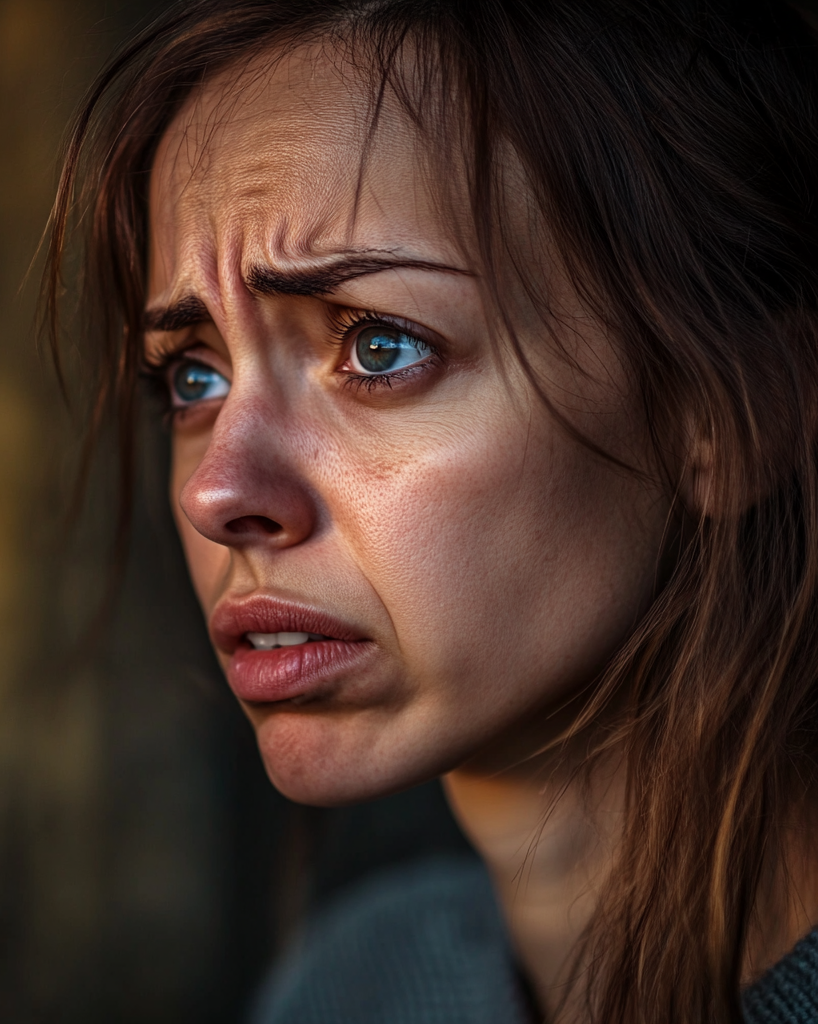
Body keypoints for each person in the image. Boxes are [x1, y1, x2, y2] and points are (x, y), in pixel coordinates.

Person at [42, 1, 818, 1020]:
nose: (215, 490)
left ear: (738, 415)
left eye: (378, 347)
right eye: (192, 376)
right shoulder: (353, 986)